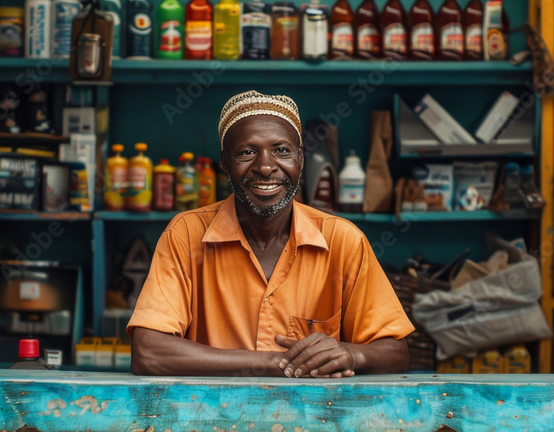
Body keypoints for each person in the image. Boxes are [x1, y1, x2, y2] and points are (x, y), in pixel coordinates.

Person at [128, 90, 414, 377]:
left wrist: (350, 354)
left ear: (300, 159)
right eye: (247, 152)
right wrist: (278, 363)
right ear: (225, 163)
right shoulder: (186, 235)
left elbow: (395, 352)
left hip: (314, 419)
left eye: (281, 150)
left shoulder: (342, 240)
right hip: (211, 418)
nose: (265, 167)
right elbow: (148, 352)